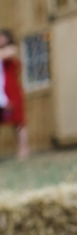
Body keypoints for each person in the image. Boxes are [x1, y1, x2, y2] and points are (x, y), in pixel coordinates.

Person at [0, 30, 28, 159]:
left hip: (12, 91)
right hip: (2, 93)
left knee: (18, 121)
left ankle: (23, 150)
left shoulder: (11, 49)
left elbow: (6, 55)